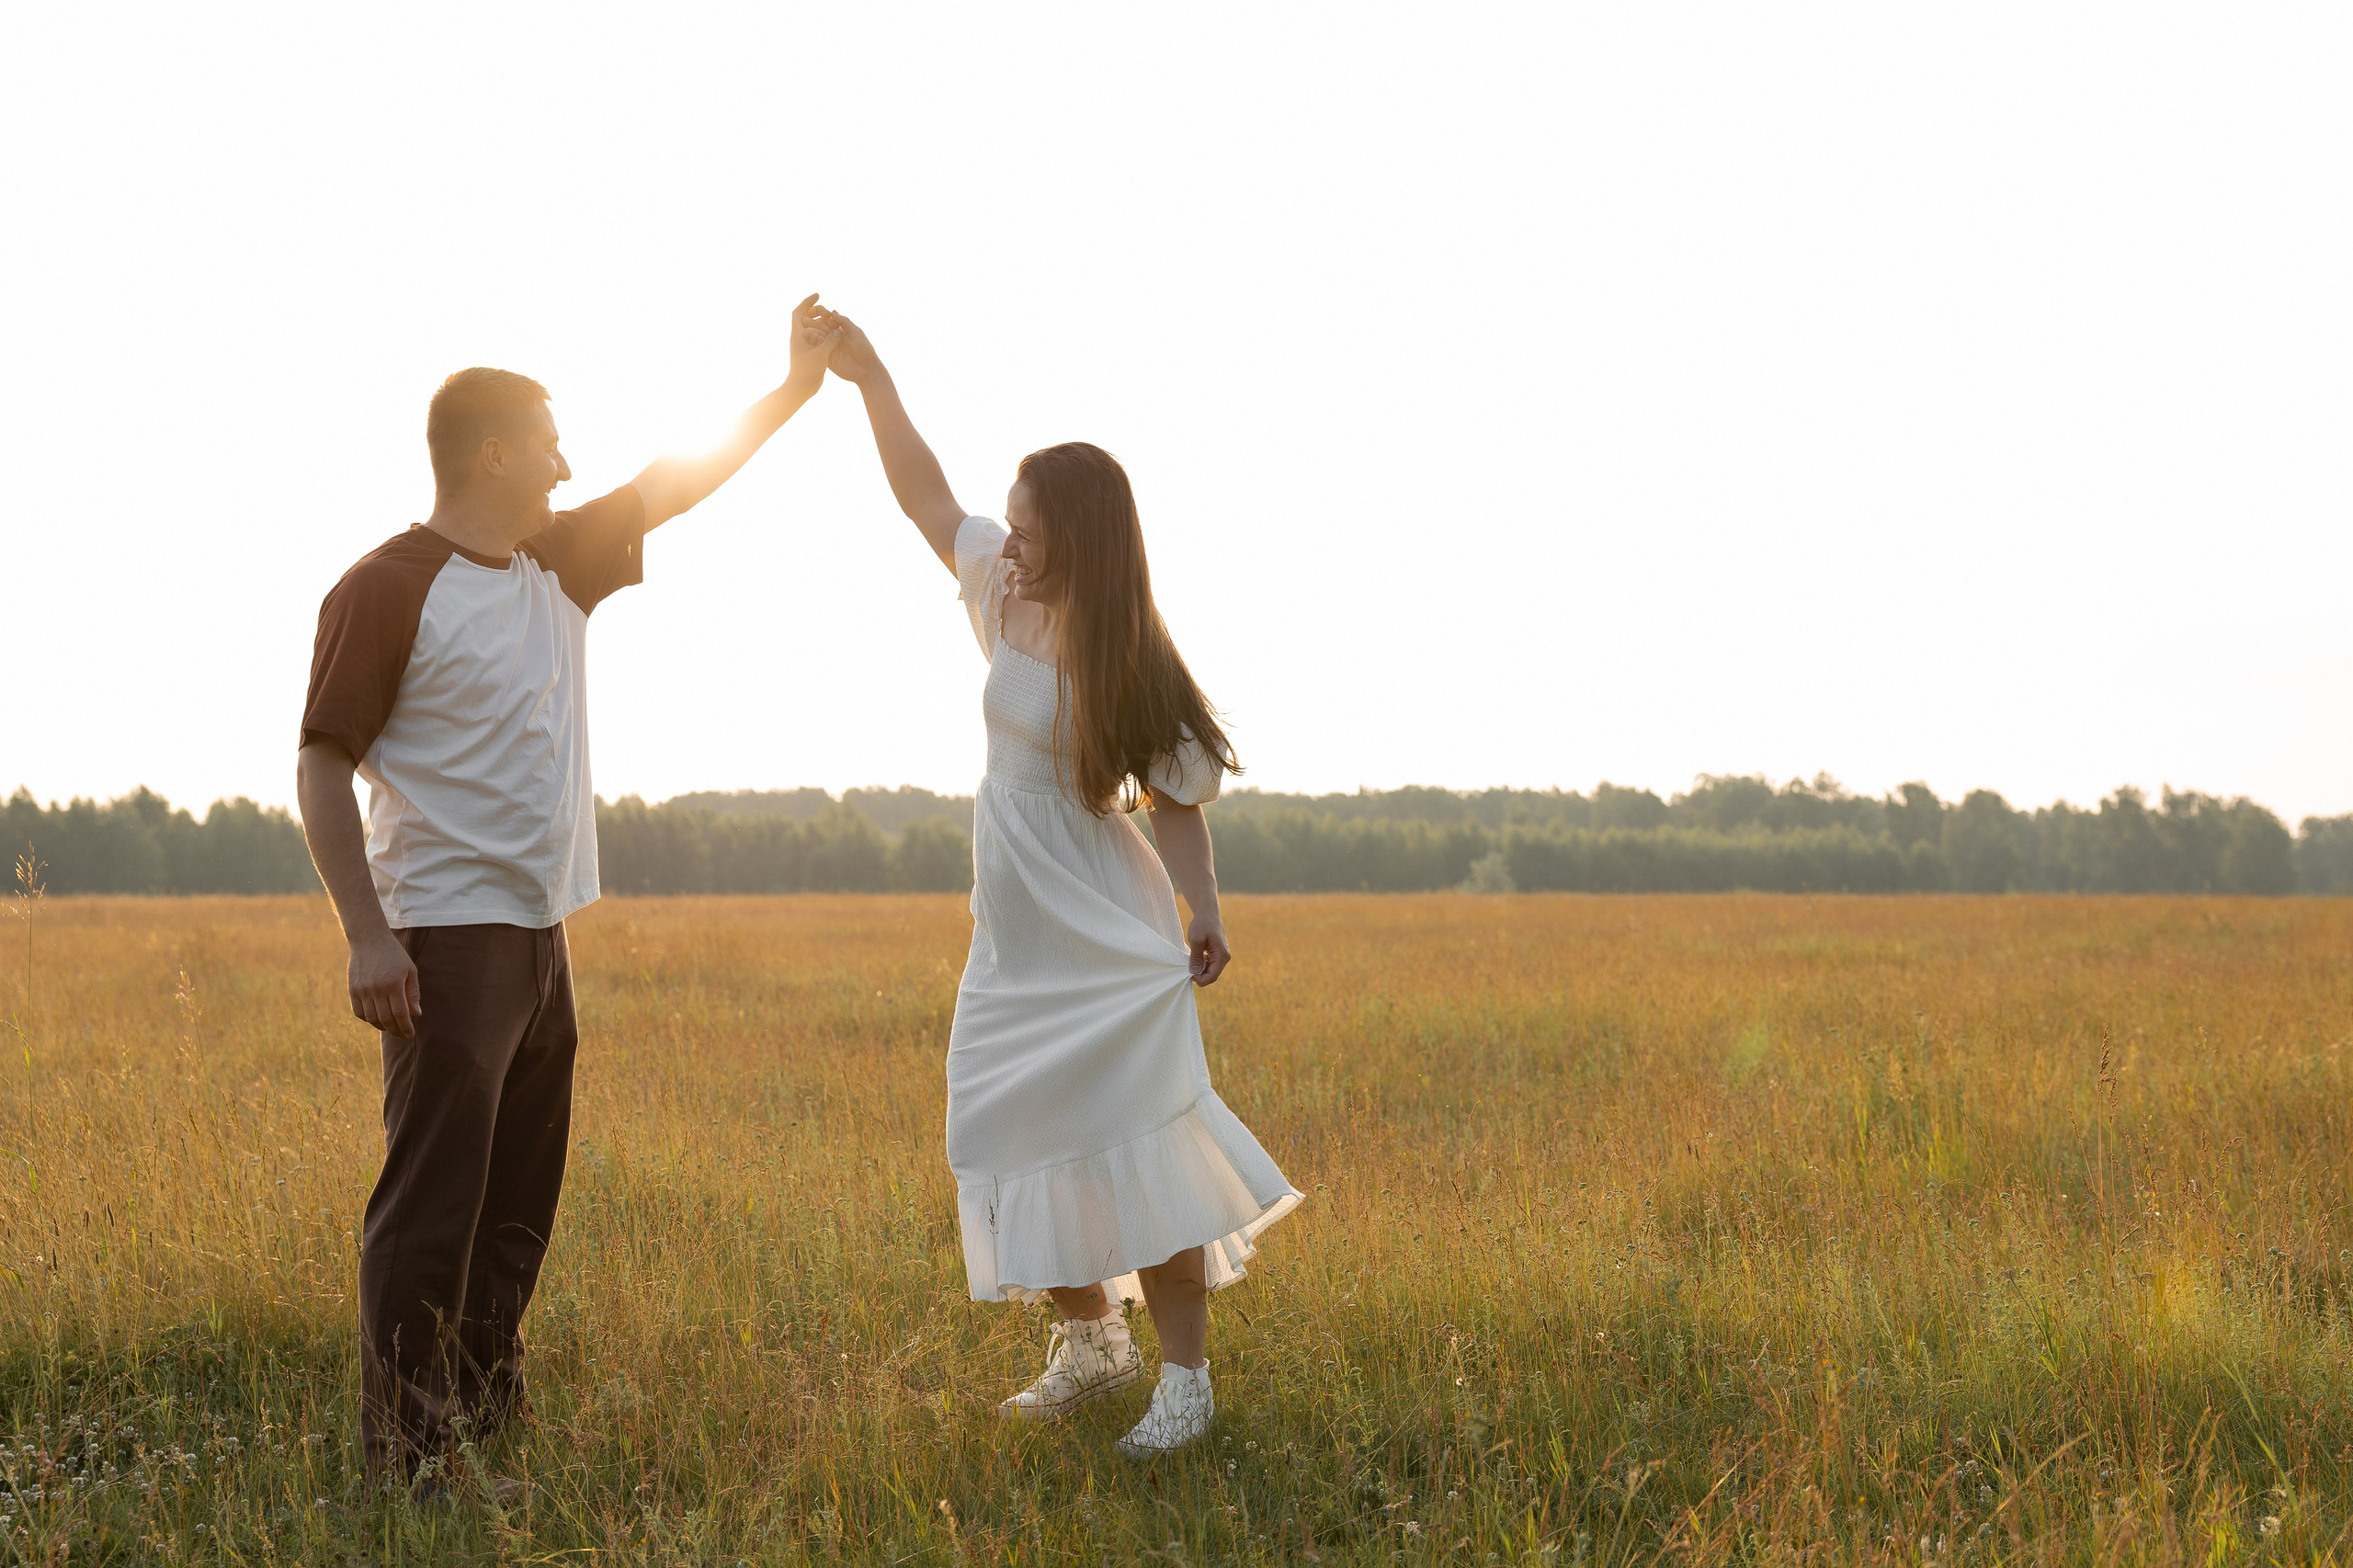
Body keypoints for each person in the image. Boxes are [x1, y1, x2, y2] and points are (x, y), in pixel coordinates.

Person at [295, 293, 839, 1495]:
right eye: (548, 439)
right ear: (492, 452)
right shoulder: (386, 587)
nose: (567, 460)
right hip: (444, 937)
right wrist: (367, 935)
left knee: (518, 1206)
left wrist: (792, 388)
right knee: (432, 1206)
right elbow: (321, 762)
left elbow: (678, 480)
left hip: (544, 938)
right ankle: (406, 1460)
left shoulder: (557, 563)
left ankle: (489, 1423)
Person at [820, 305, 1302, 1456]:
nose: (1011, 539)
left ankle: (1183, 1383)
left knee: (1135, 1138)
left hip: (1099, 922)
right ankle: (1092, 1341)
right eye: (1013, 524)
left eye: (1029, 526)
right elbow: (925, 496)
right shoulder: (1000, 596)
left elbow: (1178, 793)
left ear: (1078, 535)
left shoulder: (1125, 648)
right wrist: (870, 378)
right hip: (1014, 932)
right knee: (1002, 1119)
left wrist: (1204, 906)